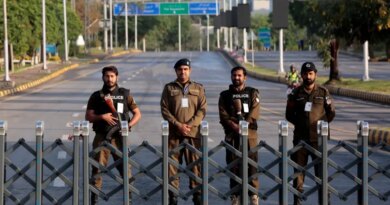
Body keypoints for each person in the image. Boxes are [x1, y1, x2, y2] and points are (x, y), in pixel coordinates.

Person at [85, 65, 141, 205]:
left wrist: (128, 126)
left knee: (126, 168)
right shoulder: (97, 96)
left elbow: (137, 113)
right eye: (107, 76)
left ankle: (128, 199)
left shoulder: (125, 94)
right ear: (103, 77)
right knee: (97, 168)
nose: (109, 79)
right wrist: (102, 117)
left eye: (112, 76)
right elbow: (88, 116)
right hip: (102, 136)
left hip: (120, 138)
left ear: (117, 77)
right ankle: (94, 199)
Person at [285, 62, 335, 205]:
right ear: (301, 75)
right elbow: (289, 115)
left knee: (321, 174)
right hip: (300, 140)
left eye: (311, 73)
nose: (308, 76)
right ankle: (297, 202)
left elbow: (331, 113)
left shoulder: (323, 92)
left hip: (319, 140)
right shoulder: (295, 93)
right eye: (306, 74)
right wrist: (302, 124)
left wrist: (319, 125)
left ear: (315, 74)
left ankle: (325, 201)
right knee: (298, 174)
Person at [160, 58, 207, 205]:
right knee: (172, 167)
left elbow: (202, 109)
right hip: (174, 134)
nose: (183, 72)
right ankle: (173, 196)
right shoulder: (169, 88)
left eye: (185, 69)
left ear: (190, 71)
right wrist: (178, 125)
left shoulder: (198, 88)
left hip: (193, 134)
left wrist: (190, 125)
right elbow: (164, 109)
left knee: (195, 166)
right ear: (176, 71)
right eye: (180, 69)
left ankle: (197, 195)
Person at [218, 66, 260, 205]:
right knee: (233, 165)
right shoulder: (225, 95)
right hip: (232, 134)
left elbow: (255, 111)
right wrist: (234, 126)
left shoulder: (252, 92)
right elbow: (223, 114)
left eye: (239, 75)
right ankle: (235, 196)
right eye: (234, 75)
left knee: (252, 165)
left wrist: (245, 125)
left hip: (250, 135)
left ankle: (253, 195)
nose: (236, 78)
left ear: (245, 77)